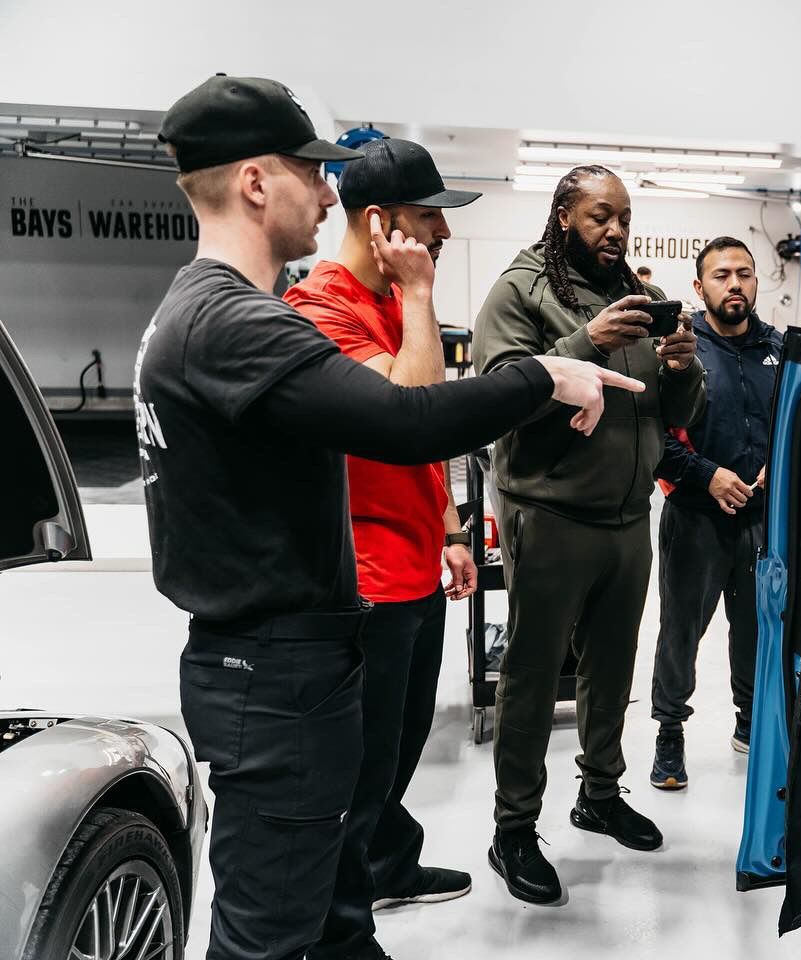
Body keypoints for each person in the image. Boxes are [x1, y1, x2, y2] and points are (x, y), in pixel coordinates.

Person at [139, 75, 641, 960]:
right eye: (312, 171)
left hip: (287, 650)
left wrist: (449, 525)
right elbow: (408, 421)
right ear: (256, 181)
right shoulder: (238, 323)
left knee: (321, 881)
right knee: (267, 935)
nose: (330, 191)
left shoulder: (214, 314)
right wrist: (547, 374)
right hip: (274, 662)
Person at [473, 165, 706, 905]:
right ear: (565, 215)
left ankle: (598, 794)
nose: (616, 230)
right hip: (550, 512)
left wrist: (685, 368)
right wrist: (586, 340)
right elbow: (500, 390)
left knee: (612, 668)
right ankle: (513, 829)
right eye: (601, 216)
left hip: (627, 516)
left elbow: (671, 414)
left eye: (625, 217)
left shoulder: (628, 291)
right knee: (535, 677)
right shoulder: (521, 289)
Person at [281, 138, 480, 959]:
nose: (441, 231)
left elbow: (431, 444)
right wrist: (423, 293)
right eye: (430, 216)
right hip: (365, 584)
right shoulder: (321, 309)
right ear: (381, 220)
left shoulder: (400, 300)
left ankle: (388, 864)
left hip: (415, 568)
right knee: (358, 781)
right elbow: (409, 417)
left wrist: (454, 530)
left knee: (394, 757)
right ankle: (343, 938)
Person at [649, 237, 782, 789]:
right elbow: (652, 435)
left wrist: (782, 464)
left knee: (757, 626)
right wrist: (709, 475)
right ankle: (670, 734)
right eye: (722, 275)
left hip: (761, 516)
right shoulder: (678, 348)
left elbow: (798, 419)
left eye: (745, 274)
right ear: (699, 288)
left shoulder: (779, 348)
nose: (735, 284)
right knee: (682, 630)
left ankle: (751, 724)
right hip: (696, 515)